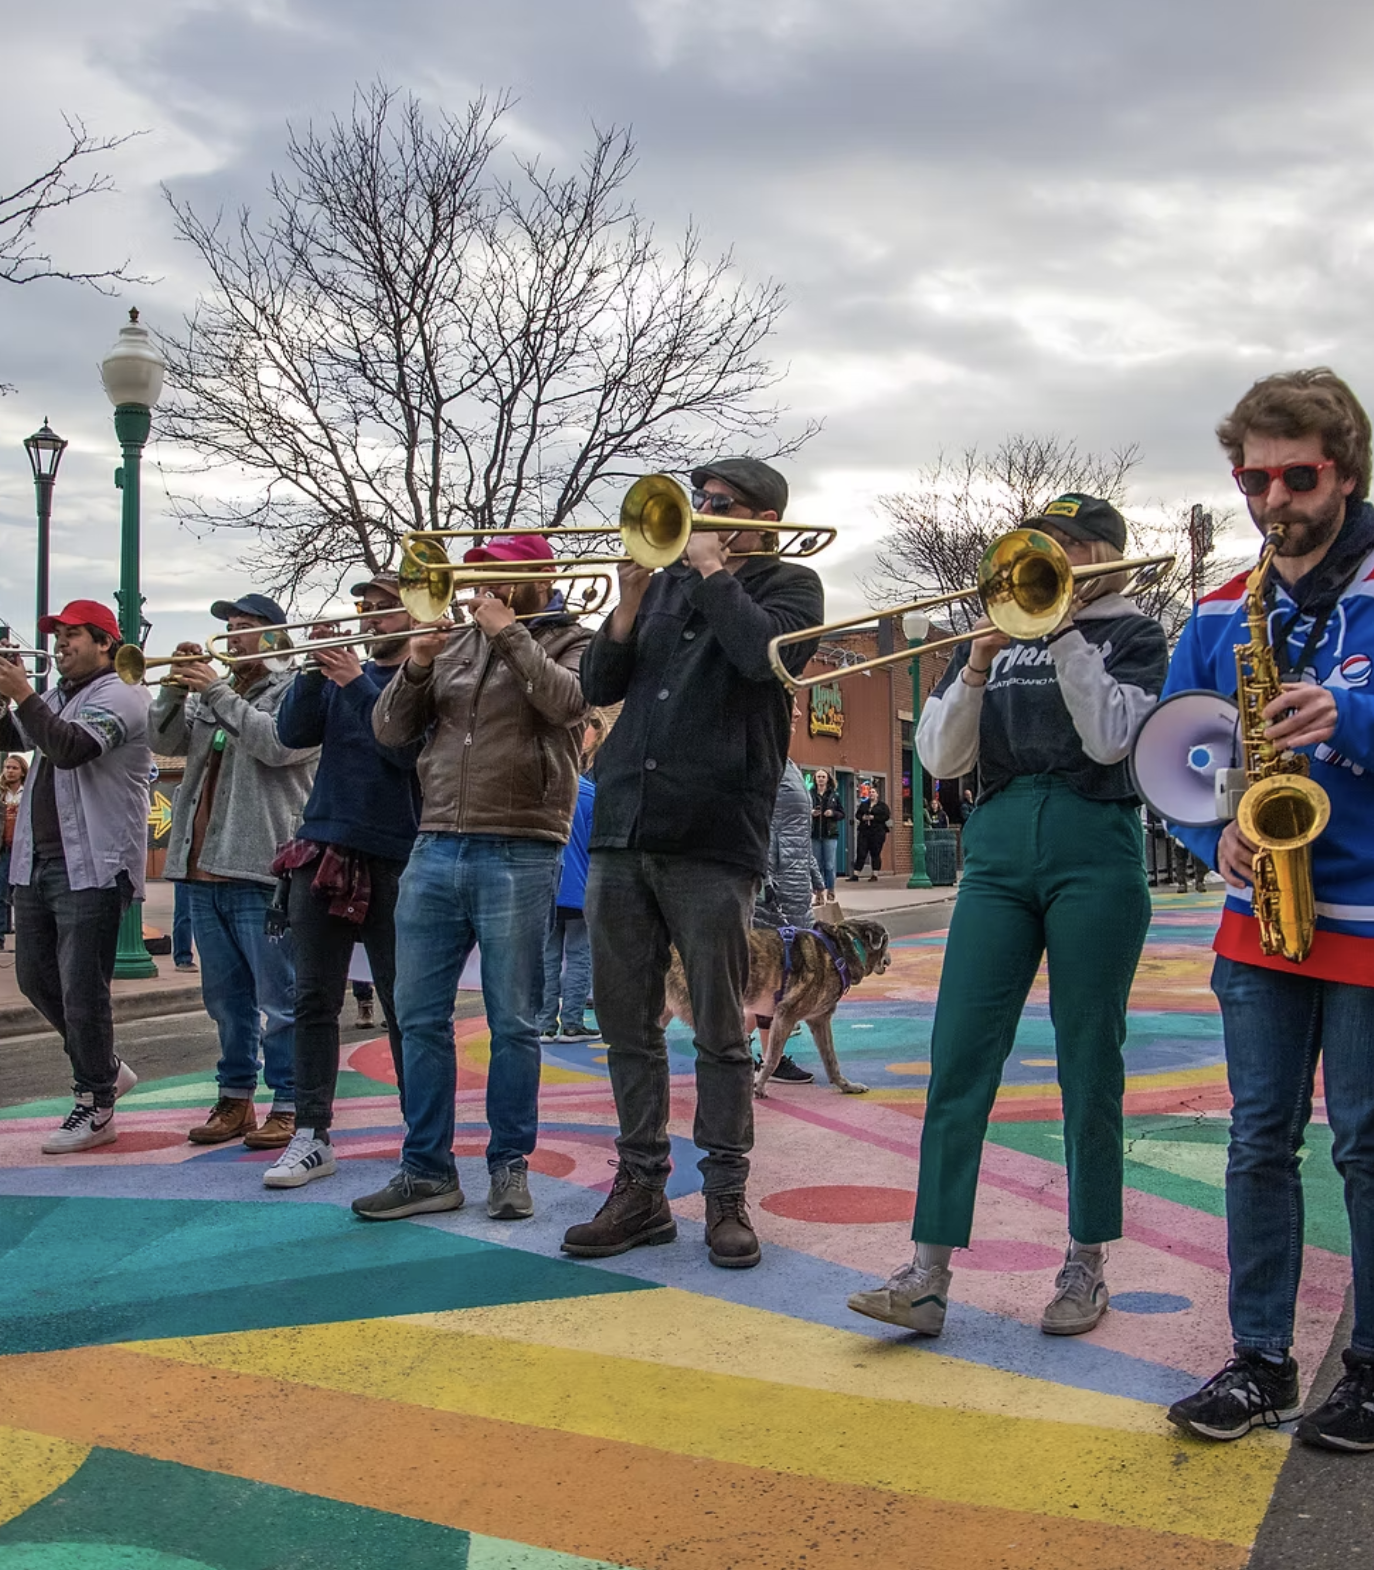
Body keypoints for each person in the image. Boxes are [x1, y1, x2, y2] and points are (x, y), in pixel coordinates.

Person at [847, 494, 1168, 1337]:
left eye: (1065, 547)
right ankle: (926, 1272)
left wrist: (1060, 632)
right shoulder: (994, 633)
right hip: (994, 848)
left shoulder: (1132, 635)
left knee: (1087, 1057)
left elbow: (1109, 742)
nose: (1047, 560)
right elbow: (941, 758)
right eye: (1040, 547)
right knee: (958, 1053)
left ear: (1106, 556)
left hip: (1092, 839)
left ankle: (1086, 1259)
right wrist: (980, 664)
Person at [1162, 369, 1374, 1452]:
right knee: (1258, 1142)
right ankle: (1260, 1362)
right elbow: (1184, 757)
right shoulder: (1218, 610)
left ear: (1345, 468)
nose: (1274, 499)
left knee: (1368, 1148)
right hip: (1265, 912)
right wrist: (1216, 838)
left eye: (1299, 474)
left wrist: (1354, 715)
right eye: (1253, 478)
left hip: (1372, 910)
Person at [561, 455, 823, 1270]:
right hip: (624, 828)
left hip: (711, 831)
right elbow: (598, 685)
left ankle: (725, 1196)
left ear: (760, 519)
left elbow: (762, 661)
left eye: (718, 504)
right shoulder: (664, 586)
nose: (700, 511)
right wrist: (629, 603)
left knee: (718, 1026)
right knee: (626, 1024)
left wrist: (713, 571)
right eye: (697, 500)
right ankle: (639, 1189)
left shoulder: (792, 587)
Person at [351, 535, 591, 1224]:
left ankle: (508, 1166)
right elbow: (391, 732)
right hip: (433, 847)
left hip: (519, 848)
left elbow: (568, 703)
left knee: (513, 1022)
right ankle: (426, 1169)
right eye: (475, 572)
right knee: (420, 1018)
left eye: (491, 574)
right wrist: (419, 665)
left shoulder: (574, 640)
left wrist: (510, 635)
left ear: (535, 578)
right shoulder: (450, 643)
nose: (473, 585)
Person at [262, 571, 421, 1188]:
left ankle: (421, 1135)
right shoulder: (334, 679)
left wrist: (355, 682)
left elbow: (402, 749)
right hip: (323, 847)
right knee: (313, 999)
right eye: (366, 608)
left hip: (396, 854)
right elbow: (291, 735)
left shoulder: (419, 681)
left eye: (384, 610)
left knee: (403, 1005)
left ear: (417, 616)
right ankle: (311, 1133)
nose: (369, 618)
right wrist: (309, 671)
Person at [151, 593, 319, 1150]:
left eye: (246, 627)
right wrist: (174, 688)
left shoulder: (298, 689)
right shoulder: (215, 694)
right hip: (202, 870)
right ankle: (235, 1098)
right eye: (230, 627)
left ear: (276, 636)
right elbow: (164, 743)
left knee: (280, 999)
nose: (233, 636)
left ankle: (291, 1103)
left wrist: (216, 692)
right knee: (225, 1001)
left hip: (261, 870)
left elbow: (277, 747)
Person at [0, 603, 151, 1151]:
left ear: (105, 643)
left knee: (83, 990)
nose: (61, 644)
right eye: (58, 636)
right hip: (37, 862)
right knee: (36, 980)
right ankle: (106, 1068)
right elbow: (10, 732)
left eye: (73, 636)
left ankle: (96, 1102)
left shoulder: (123, 694)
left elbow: (70, 749)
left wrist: (23, 693)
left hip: (92, 863)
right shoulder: (58, 696)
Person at [751, 751, 820, 1085]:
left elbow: (799, 836)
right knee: (771, 980)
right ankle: (767, 1059)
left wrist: (815, 877)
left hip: (793, 887)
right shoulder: (765, 759)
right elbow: (756, 822)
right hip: (775, 891)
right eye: (788, 701)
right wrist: (764, 882)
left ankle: (730, 1047)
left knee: (778, 979)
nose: (796, 710)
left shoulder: (788, 762)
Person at [539, 713, 606, 1045]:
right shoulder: (591, 793)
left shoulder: (545, 787)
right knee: (580, 955)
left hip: (547, 884)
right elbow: (598, 843)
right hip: (581, 886)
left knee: (548, 954)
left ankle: (544, 1021)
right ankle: (573, 1023)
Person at [0, 753, 28, 950]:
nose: (9, 771)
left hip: (22, 848)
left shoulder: (27, 792)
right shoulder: (1, 793)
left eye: (14, 768)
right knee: (1, 892)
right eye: (7, 767)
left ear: (22, 771)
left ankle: (23, 934)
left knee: (20, 893)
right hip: (3, 848)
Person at [848, 781, 891, 881]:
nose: (871, 794)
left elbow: (886, 816)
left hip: (877, 832)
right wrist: (862, 817)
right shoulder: (864, 805)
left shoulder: (882, 806)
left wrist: (874, 817)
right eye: (870, 792)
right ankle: (856, 874)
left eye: (873, 792)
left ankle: (874, 874)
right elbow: (857, 815)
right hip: (864, 831)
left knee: (875, 853)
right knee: (861, 852)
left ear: (877, 794)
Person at [809, 767, 843, 891]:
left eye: (823, 777)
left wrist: (832, 813)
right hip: (815, 833)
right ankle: (818, 891)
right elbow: (802, 810)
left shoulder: (834, 795)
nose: (821, 779)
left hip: (830, 834)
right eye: (818, 777)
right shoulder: (810, 794)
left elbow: (842, 814)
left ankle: (830, 890)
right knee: (816, 865)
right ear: (815, 779)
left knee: (829, 864)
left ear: (828, 779)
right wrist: (811, 812)